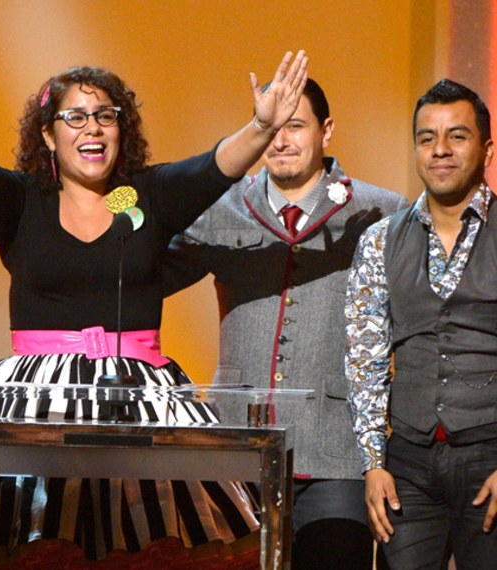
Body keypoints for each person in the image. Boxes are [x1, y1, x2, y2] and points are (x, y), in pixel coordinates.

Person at [0, 42, 307, 568]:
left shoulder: (144, 195)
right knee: (34, 545)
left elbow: (214, 167)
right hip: (36, 398)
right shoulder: (22, 200)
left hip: (141, 392)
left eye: (105, 115)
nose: (93, 128)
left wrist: (261, 127)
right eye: (75, 117)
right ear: (47, 135)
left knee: (143, 547)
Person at [163, 78, 407, 569]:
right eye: (270, 127)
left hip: (336, 454)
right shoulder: (219, 206)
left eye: (295, 125)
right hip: (236, 451)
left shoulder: (383, 213)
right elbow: (135, 241)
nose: (280, 140)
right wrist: (118, 196)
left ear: (327, 130)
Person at [346, 78, 497, 569]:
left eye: (457, 135)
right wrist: (373, 463)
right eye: (427, 138)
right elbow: (365, 356)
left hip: (490, 453)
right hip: (407, 462)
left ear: (486, 149)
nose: (440, 150)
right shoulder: (379, 239)